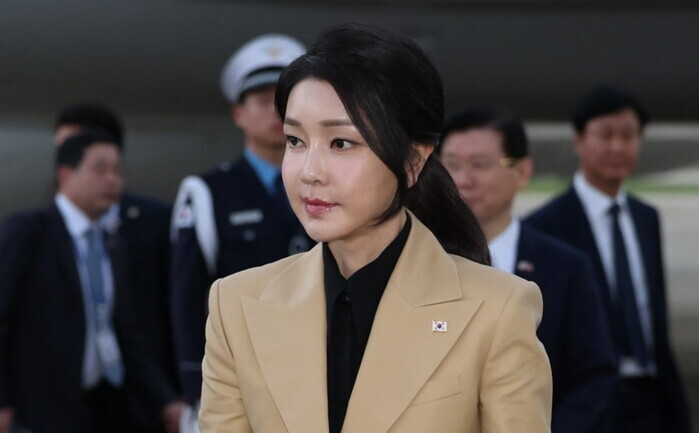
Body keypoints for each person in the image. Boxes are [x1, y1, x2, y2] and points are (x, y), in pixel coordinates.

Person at [199, 23, 552, 433]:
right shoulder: (236, 305)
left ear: (413, 161)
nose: (309, 172)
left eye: (341, 143)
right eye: (295, 140)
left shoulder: (498, 309)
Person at [439, 106, 618, 433]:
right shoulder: (416, 259)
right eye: (451, 165)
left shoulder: (566, 268)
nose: (463, 180)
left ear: (522, 172)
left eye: (480, 165)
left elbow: (594, 377)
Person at [525, 86, 691, 433]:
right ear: (579, 141)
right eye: (605, 135)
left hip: (650, 404)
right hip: (588, 407)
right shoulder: (545, 226)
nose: (617, 147)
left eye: (628, 136)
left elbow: (654, 319)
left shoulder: (646, 218)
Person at [0, 131, 181, 433]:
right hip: (36, 412)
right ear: (65, 174)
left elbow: (124, 333)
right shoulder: (29, 231)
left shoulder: (112, 243)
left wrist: (165, 400)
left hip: (102, 405)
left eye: (118, 170)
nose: (112, 180)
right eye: (100, 169)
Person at [169, 33, 313, 411]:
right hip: (237, 378)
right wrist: (196, 388)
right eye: (263, 101)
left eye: (284, 101)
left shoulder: (327, 182)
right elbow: (188, 298)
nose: (275, 113)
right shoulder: (207, 192)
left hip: (318, 371)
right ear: (238, 114)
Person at [54, 103, 181, 432]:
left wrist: (173, 392)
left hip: (144, 394)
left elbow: (175, 305)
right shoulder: (43, 227)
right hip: (68, 398)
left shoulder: (153, 220)